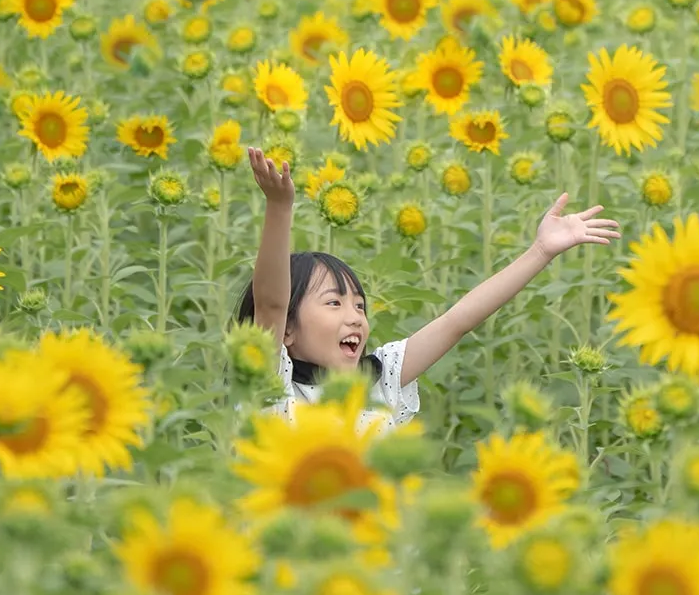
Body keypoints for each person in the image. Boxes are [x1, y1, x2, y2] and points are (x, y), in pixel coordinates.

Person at [236, 147, 621, 432]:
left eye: (359, 305)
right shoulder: (272, 387)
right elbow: (271, 301)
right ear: (287, 330)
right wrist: (280, 207)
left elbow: (457, 321)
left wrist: (539, 252)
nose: (354, 317)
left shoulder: (379, 382)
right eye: (334, 302)